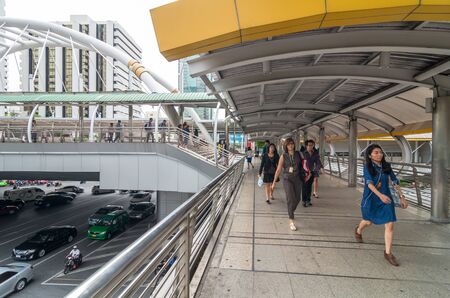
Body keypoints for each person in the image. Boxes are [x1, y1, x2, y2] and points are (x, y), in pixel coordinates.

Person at [355, 144, 408, 266]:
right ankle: (358, 230)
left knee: (389, 225)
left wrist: (401, 197)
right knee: (368, 221)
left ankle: (388, 253)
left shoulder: (386, 166)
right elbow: (369, 183)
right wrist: (380, 195)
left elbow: (395, 181)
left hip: (386, 198)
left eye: (380, 152)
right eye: (376, 152)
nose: (379, 154)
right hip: (372, 198)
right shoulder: (367, 167)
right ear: (370, 155)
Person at [272, 137, 310, 231]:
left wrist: (308, 173)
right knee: (290, 198)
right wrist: (273, 183)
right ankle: (291, 220)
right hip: (287, 179)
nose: (291, 145)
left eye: (292, 144)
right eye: (289, 144)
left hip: (297, 179)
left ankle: (291, 211)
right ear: (286, 145)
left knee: (297, 199)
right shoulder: (283, 156)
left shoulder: (299, 154)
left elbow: (304, 165)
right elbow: (278, 170)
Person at [302, 140, 323, 207]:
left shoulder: (315, 154)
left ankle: (308, 200)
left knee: (309, 187)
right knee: (304, 186)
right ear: (306, 146)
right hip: (304, 173)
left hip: (312, 172)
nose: (310, 146)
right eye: (309, 145)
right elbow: (300, 163)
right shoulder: (303, 153)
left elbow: (318, 162)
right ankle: (304, 200)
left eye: (312, 145)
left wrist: (318, 168)